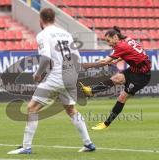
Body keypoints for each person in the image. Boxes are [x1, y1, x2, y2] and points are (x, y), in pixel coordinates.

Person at [8, 8, 95, 154]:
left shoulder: (43, 35)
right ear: (54, 19)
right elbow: (77, 58)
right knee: (70, 109)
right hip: (69, 75)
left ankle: (26, 147)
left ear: (41, 20)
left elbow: (46, 58)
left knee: (32, 108)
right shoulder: (66, 33)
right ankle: (88, 143)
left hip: (56, 76)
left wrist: (37, 74)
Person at [80, 26, 151, 130]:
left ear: (115, 37)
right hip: (135, 70)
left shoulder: (121, 46)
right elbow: (132, 53)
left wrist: (87, 65)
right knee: (116, 78)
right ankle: (91, 91)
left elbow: (105, 61)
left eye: (109, 41)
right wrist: (117, 60)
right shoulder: (127, 39)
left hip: (142, 76)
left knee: (122, 97)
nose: (108, 44)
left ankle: (106, 123)